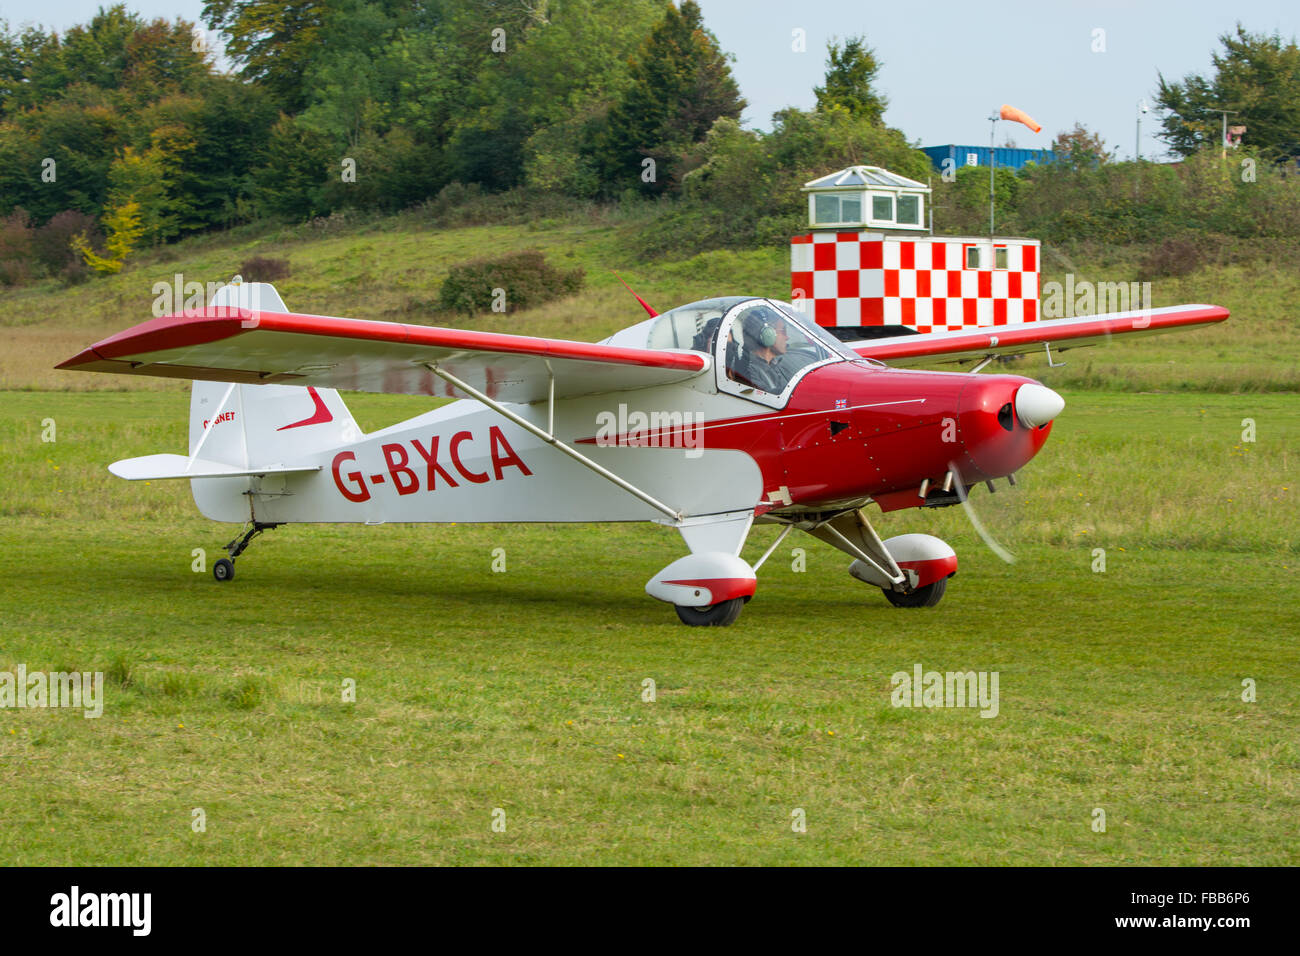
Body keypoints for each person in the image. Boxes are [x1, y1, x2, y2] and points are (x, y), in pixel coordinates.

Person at [738, 306, 792, 394]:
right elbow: (767, 397)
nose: (787, 337)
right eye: (783, 331)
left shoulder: (777, 365)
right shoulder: (749, 371)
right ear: (768, 334)